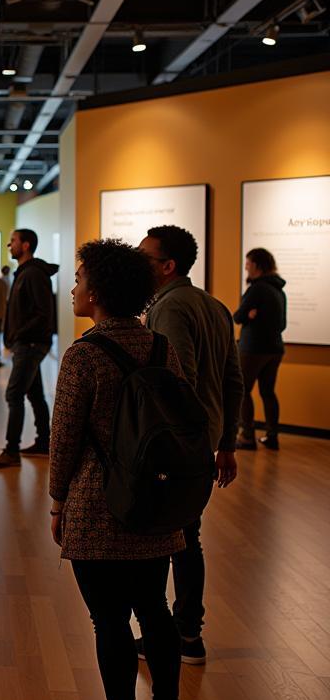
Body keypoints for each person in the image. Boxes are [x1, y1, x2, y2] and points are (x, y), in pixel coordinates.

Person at [51, 239, 187, 700]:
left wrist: (57, 501)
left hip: (97, 504)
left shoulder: (84, 355)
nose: (74, 287)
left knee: (108, 619)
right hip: (155, 501)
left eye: (80, 277)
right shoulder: (160, 347)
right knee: (155, 609)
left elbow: (64, 439)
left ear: (99, 290)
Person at [139, 225, 242, 664]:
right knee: (187, 536)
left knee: (167, 538)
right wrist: (227, 443)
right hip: (205, 440)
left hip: (178, 444)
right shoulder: (215, 306)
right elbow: (233, 382)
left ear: (168, 266)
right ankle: (187, 634)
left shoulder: (169, 308)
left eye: (146, 258)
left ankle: (174, 635)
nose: (138, 265)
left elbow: (180, 381)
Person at [0, 230, 58, 466]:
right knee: (35, 393)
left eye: (14, 241)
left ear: (26, 245)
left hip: (30, 343)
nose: (10, 244)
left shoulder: (34, 274)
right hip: (26, 342)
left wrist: (19, 334)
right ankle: (44, 442)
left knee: (14, 393)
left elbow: (43, 313)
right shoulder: (25, 273)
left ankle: (12, 450)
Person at [234, 248, 286, 451]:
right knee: (268, 392)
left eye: (248, 262)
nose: (246, 266)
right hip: (275, 348)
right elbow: (282, 325)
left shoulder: (257, 289)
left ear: (256, 265)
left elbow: (237, 316)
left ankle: (247, 436)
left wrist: (248, 316)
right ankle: (272, 436)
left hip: (253, 349)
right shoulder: (278, 289)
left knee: (242, 390)